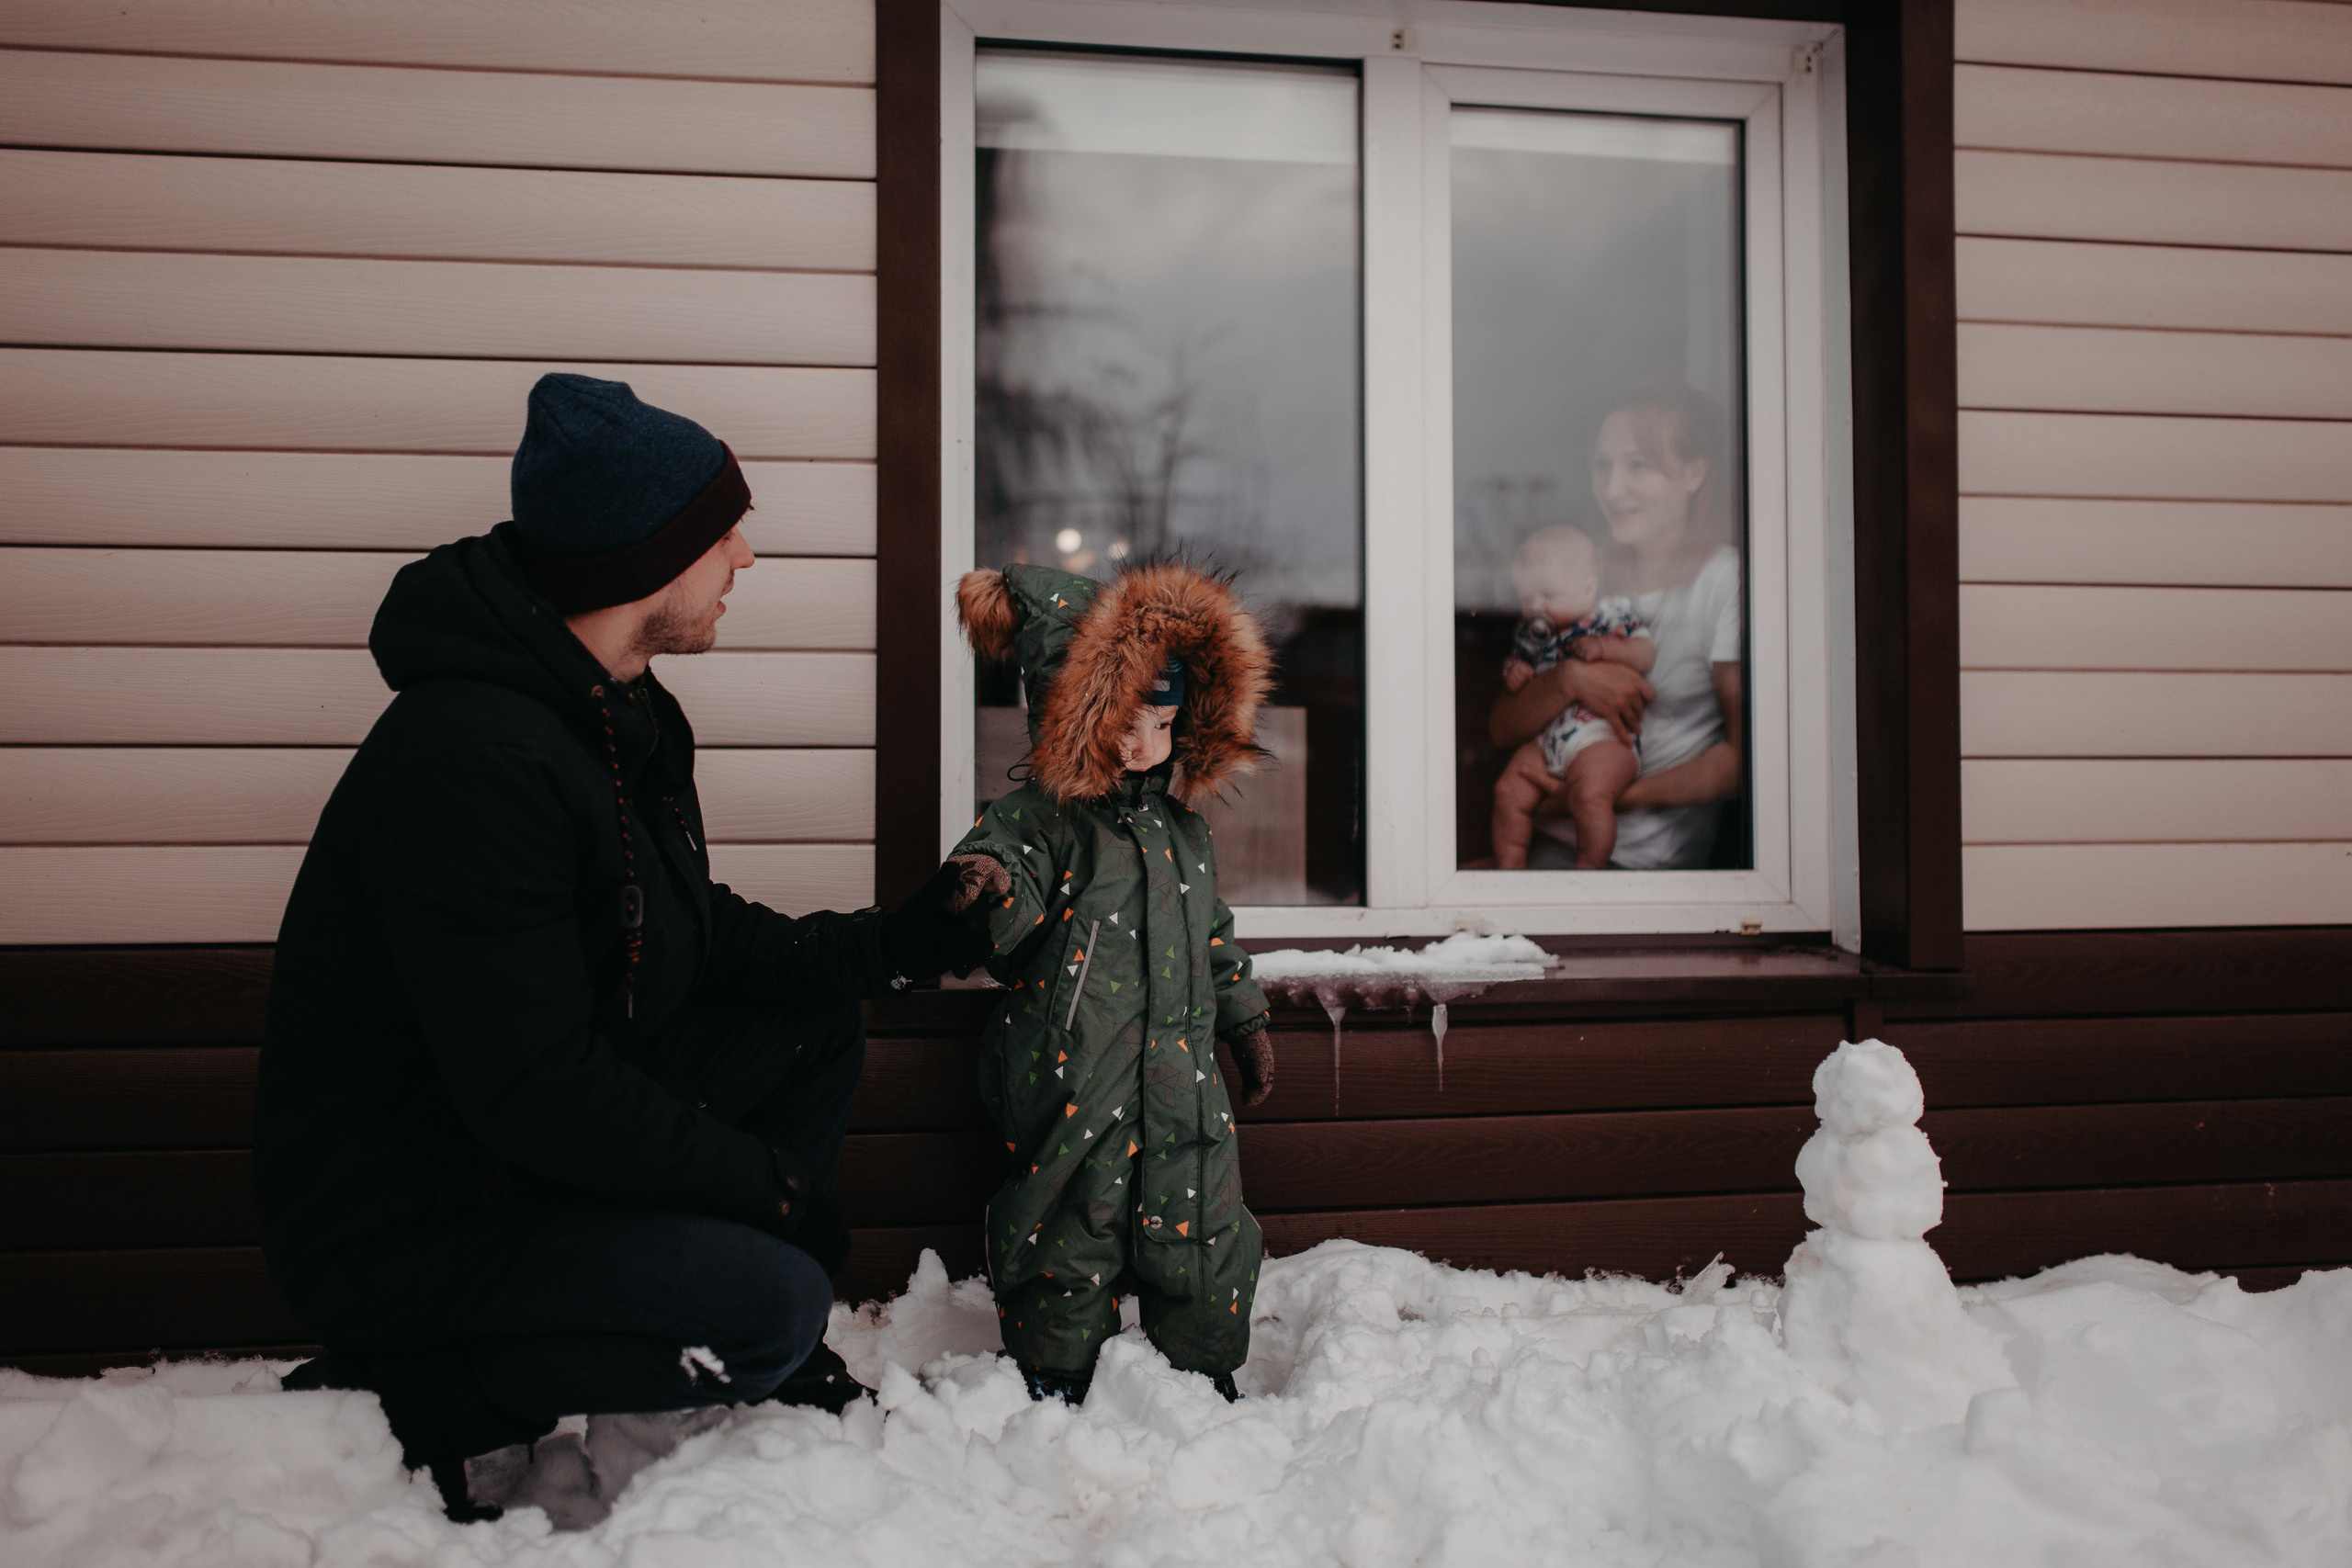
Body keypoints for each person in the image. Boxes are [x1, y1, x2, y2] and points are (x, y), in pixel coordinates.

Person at [256, 374, 1006, 1518]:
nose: (745, 558)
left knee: (808, 1034)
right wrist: (769, 1193)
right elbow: (538, 1091)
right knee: (768, 1305)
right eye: (720, 532)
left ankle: (696, 1302)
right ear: (639, 559)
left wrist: (892, 943)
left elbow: (687, 932)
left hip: (521, 1145)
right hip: (422, 1220)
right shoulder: (472, 763)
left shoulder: (603, 708)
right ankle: (440, 1387)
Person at [948, 559, 1279, 1404]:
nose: (1144, 744)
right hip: (1077, 1071)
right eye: (1127, 720)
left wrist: (1243, 1017)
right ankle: (1058, 1369)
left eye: (1164, 723)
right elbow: (1006, 887)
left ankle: (1201, 1368)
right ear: (1078, 715)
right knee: (1071, 1218)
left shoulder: (1183, 833)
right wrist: (985, 884)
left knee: (1202, 1218)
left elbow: (1212, 935)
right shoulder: (1040, 820)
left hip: (1180, 1076)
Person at [1488, 389, 1743, 870]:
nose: (1612, 488)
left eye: (1637, 465)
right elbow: (1502, 728)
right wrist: (1570, 681)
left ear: (1695, 472)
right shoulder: (1585, 570)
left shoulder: (1722, 581)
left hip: (1631, 868)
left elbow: (1745, 758)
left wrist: (1604, 798)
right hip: (1537, 842)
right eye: (1602, 466)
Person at [1491, 525, 1655, 870]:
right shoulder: (1533, 635)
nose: (1536, 607)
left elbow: (1645, 653)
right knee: (1508, 791)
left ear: (1588, 588)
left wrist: (1606, 647)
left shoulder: (1610, 615)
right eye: (1526, 599)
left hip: (1603, 738)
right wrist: (1515, 674)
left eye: (1548, 595)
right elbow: (1520, 677)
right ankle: (1510, 866)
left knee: (1590, 795)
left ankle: (1588, 869)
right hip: (1549, 739)